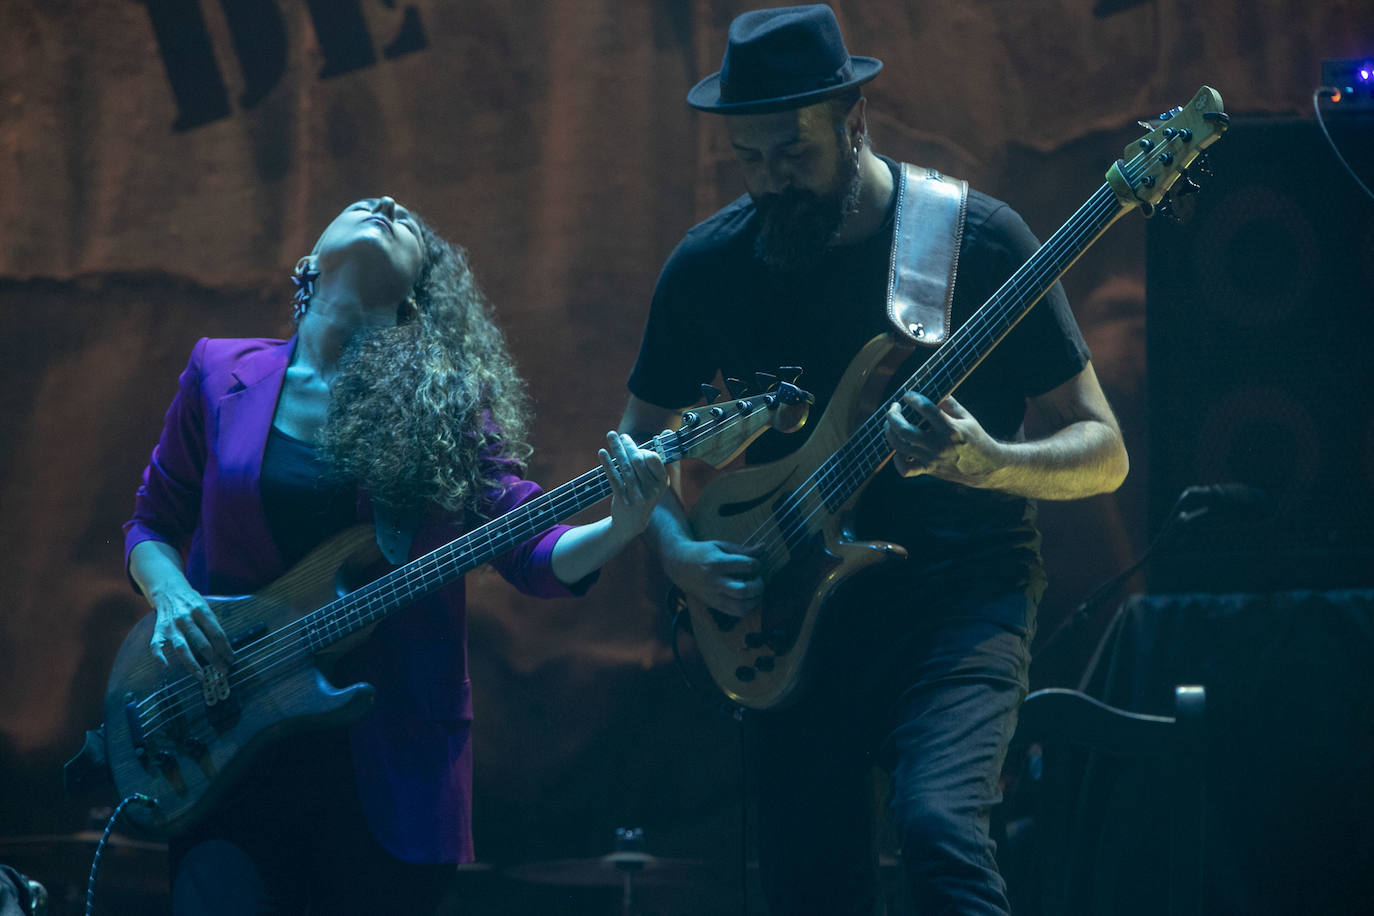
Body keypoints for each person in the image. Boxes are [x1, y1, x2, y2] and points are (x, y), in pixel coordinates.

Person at [618, 6, 1128, 914]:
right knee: (809, 881)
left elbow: (1105, 450)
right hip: (793, 618)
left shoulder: (978, 240)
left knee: (937, 827)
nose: (771, 182)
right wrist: (678, 554)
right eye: (750, 159)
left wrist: (988, 461)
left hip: (960, 598)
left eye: (793, 153)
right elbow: (638, 452)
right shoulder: (708, 268)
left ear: (855, 121)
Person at [124, 195, 668, 915]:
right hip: (223, 748)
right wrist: (172, 598)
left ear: (416, 293)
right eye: (363, 202)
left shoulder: (444, 405)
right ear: (308, 265)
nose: (387, 203)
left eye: (409, 223)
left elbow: (527, 546)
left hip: (386, 765)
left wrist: (621, 527)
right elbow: (150, 524)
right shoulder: (219, 371)